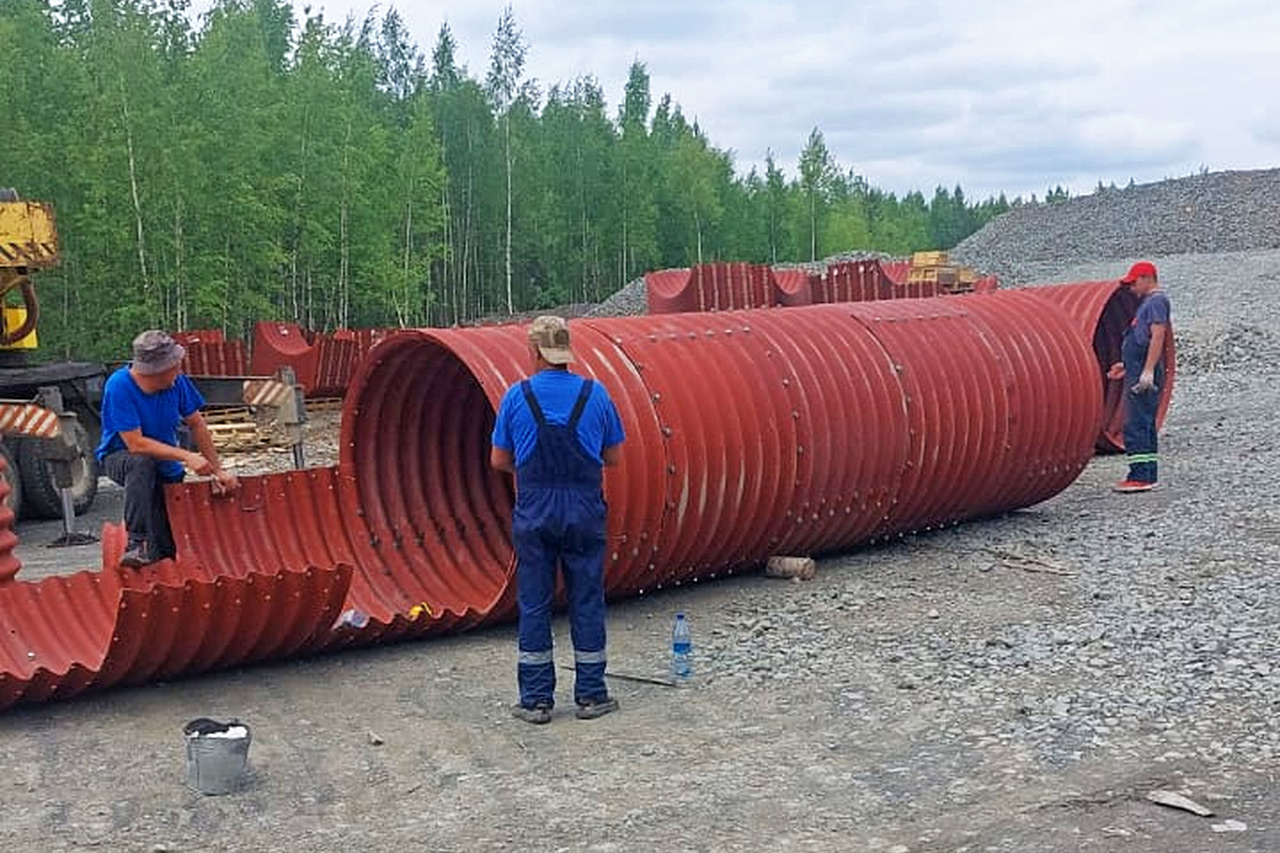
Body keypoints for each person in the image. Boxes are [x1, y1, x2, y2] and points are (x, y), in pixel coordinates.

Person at [490, 316, 626, 724]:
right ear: (566, 352)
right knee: (586, 600)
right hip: (583, 508)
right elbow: (613, 457)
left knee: (535, 602)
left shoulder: (516, 397)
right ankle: (591, 695)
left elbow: (499, 460)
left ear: (534, 351)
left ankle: (536, 701)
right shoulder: (596, 394)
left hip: (535, 509)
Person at [96, 330, 240, 567]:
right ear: (156, 370)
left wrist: (217, 470)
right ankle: (136, 542)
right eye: (174, 366)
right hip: (121, 458)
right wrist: (187, 456)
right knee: (141, 464)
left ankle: (161, 562)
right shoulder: (119, 386)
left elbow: (197, 424)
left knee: (165, 541)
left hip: (165, 465)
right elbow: (136, 444)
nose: (179, 371)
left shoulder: (177, 383)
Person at [1107, 261, 1170, 492]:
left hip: (1144, 373)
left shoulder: (1156, 301)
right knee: (1143, 422)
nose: (1131, 288)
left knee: (1136, 424)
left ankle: (1140, 476)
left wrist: (1147, 371)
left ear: (1146, 278)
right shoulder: (1148, 303)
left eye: (1133, 283)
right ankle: (1148, 474)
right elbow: (1141, 339)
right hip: (1138, 368)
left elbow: (1157, 335)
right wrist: (1127, 365)